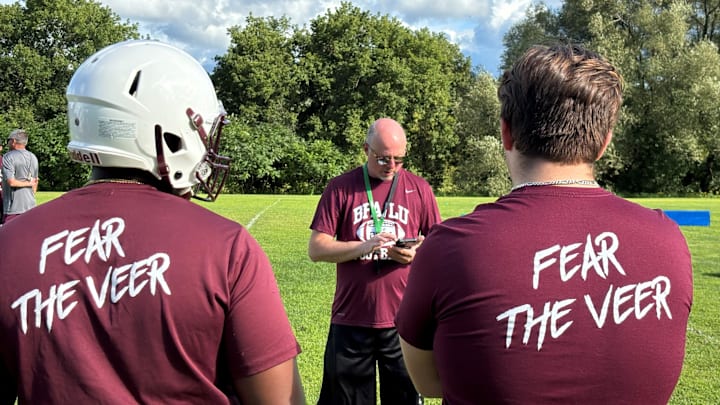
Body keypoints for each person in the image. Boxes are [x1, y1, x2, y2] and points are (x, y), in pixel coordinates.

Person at [0, 40, 305, 404]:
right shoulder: (227, 248)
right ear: (170, 133)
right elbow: (279, 400)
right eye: (203, 130)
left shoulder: (9, 243)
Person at [395, 44, 694, 404]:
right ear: (604, 142)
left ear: (506, 133)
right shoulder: (667, 240)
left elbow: (428, 383)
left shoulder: (450, 247)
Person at [308, 117, 442, 404]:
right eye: (383, 159)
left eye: (398, 159)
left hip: (403, 322)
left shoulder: (419, 188)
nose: (391, 166)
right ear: (365, 149)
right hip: (351, 318)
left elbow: (437, 242)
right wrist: (364, 246)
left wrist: (415, 253)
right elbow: (317, 249)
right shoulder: (341, 187)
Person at [1, 129, 39, 224]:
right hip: (31, 206)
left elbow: (12, 182)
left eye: (8, 140)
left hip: (13, 208)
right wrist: (30, 185)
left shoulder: (8, 157)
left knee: (9, 237)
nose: (7, 143)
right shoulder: (33, 157)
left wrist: (28, 183)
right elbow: (35, 183)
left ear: (13, 141)